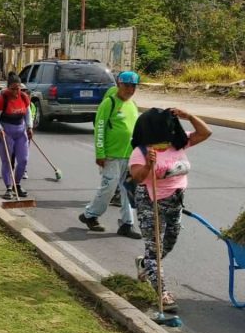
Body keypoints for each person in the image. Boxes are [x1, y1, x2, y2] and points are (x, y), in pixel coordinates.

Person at [129, 107, 212, 312]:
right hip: (151, 201)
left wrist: (190, 116)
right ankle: (163, 293)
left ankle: (146, 265)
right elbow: (138, 177)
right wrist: (148, 165)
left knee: (170, 242)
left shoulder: (178, 144)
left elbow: (205, 133)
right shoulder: (141, 152)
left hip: (175, 201)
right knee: (155, 248)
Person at [79, 71, 143, 239]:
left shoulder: (132, 105)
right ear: (119, 85)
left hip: (129, 156)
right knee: (109, 188)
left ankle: (127, 224)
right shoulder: (109, 103)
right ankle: (90, 215)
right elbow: (99, 128)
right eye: (126, 85)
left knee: (127, 190)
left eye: (133, 86)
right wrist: (100, 153)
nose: (130, 89)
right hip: (111, 156)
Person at [0, 72, 32, 199]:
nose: (16, 91)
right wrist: (0, 129)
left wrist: (29, 127)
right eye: (13, 88)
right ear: (8, 87)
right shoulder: (1, 99)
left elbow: (28, 114)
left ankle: (17, 184)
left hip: (20, 132)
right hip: (5, 132)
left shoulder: (24, 97)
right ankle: (9, 187)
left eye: (18, 88)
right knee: (7, 161)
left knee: (23, 160)